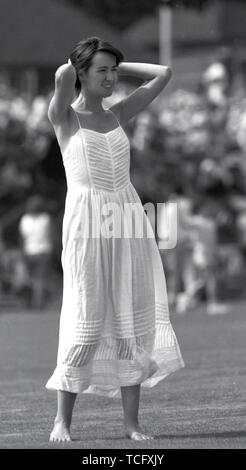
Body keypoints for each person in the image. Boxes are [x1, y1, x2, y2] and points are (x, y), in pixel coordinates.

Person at [45, 36, 184, 442]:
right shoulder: (64, 118)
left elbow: (163, 74)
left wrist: (116, 67)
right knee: (83, 323)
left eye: (113, 71)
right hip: (86, 223)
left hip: (126, 219)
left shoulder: (118, 113)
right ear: (82, 74)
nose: (110, 78)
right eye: (101, 71)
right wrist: (86, 62)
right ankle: (62, 421)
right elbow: (61, 74)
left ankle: (131, 424)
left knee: (128, 321)